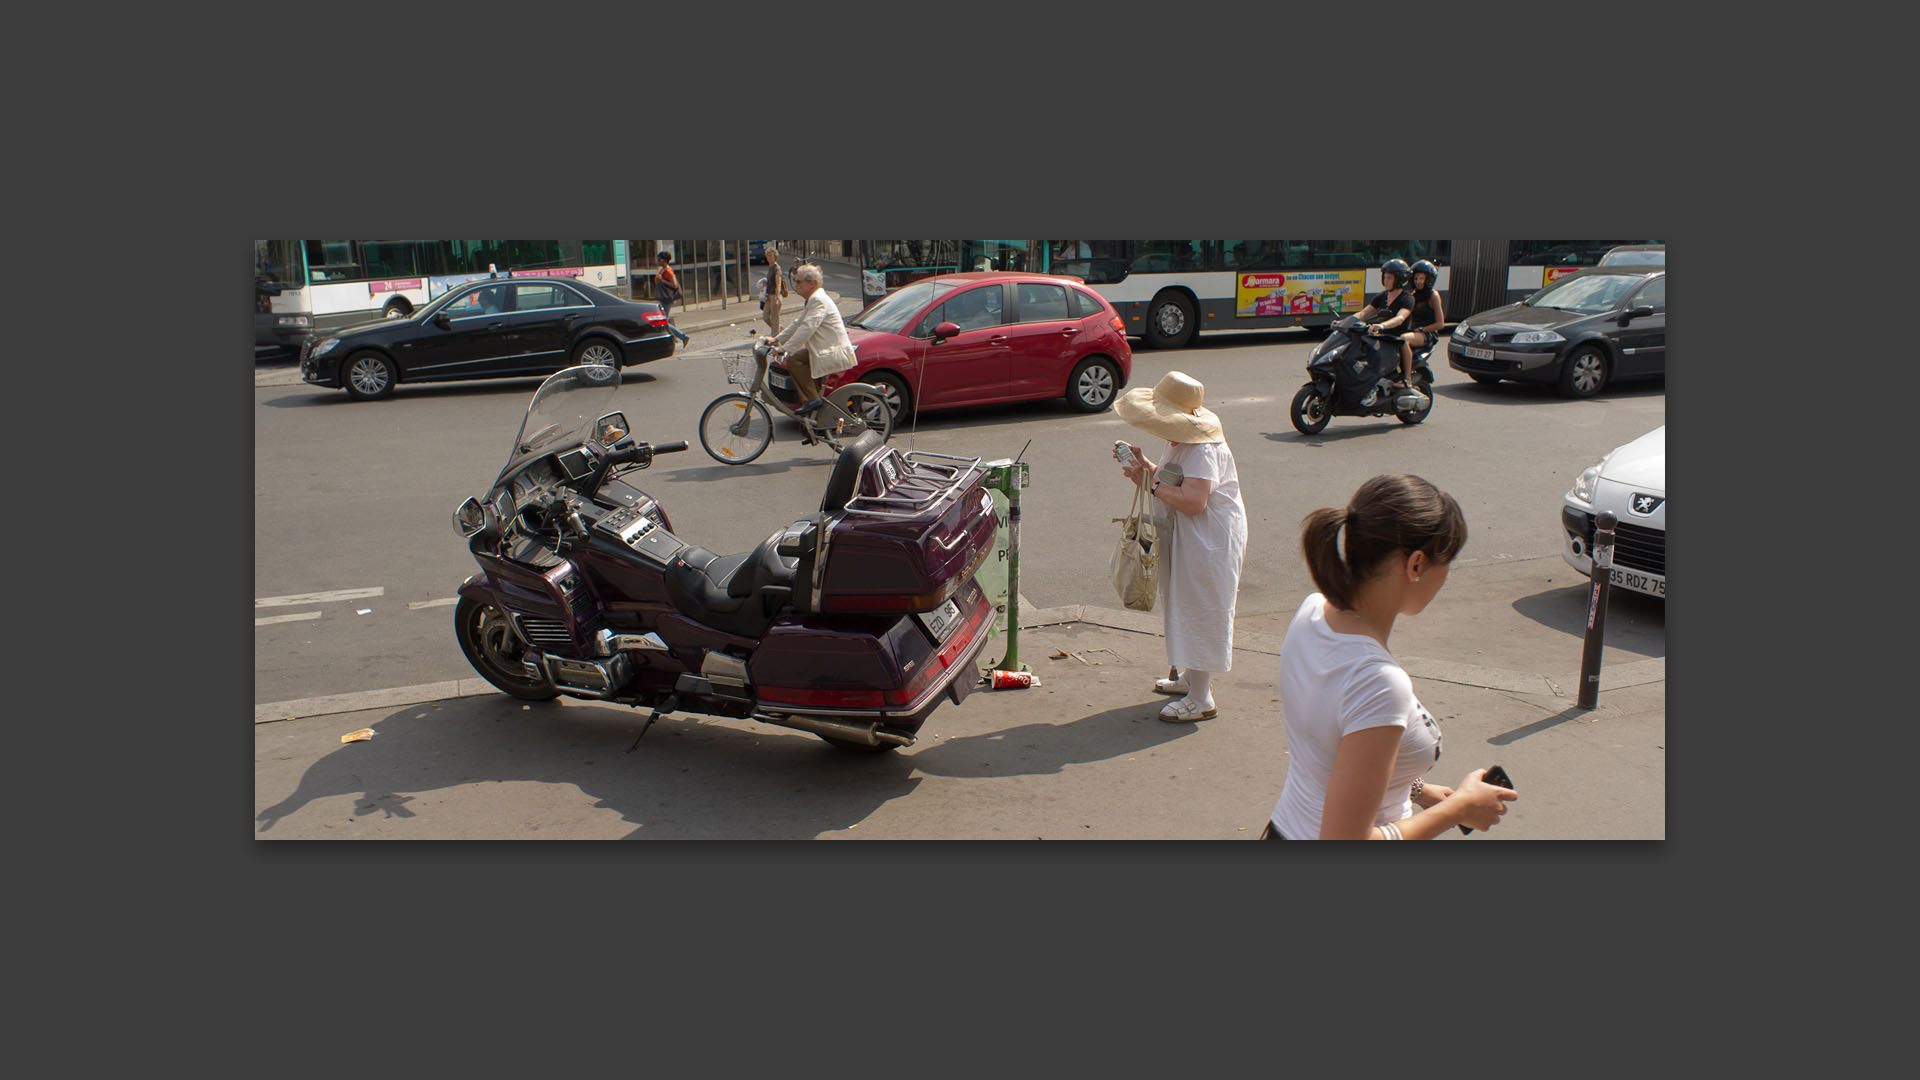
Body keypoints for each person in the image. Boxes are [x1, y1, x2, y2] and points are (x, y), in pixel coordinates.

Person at [1262, 474, 1518, 840]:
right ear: (1416, 564)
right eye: (1446, 563)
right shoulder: (1378, 682)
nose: (1446, 577)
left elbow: (1330, 750)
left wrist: (1413, 789)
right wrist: (1458, 809)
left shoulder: (1312, 611)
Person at [1112, 372, 1248, 723]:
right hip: (1193, 535)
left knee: (1200, 606)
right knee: (1186, 603)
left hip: (1209, 539)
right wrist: (1147, 469)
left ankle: (1201, 697)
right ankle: (1193, 679)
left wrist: (1149, 483)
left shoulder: (1202, 447)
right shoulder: (1182, 439)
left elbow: (1195, 501)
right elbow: (1174, 480)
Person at [763, 263, 858, 416]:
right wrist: (776, 339)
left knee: (793, 360)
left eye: (798, 281)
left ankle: (813, 400)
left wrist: (784, 348)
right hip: (822, 350)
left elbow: (807, 327)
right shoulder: (813, 299)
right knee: (798, 364)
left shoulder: (818, 300)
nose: (795, 285)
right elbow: (797, 323)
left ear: (811, 284)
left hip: (830, 351)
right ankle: (812, 416)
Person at [1395, 259, 1446, 391]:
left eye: (1422, 278)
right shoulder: (1412, 295)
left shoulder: (1433, 296)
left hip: (1427, 333)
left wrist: (1423, 329)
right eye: (1416, 278)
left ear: (1429, 279)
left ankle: (1407, 379)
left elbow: (1440, 324)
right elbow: (1409, 317)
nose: (1418, 281)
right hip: (1415, 331)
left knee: (1403, 339)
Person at [653, 251, 691, 347]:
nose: (657, 261)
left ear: (665, 261)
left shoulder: (668, 271)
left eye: (659, 259)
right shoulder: (662, 269)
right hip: (663, 298)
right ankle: (673, 338)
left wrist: (662, 280)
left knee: (662, 321)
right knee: (662, 320)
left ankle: (682, 336)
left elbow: (674, 285)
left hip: (666, 299)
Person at [760, 247, 790, 334]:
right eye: (767, 256)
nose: (768, 258)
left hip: (775, 295)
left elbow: (778, 284)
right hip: (768, 295)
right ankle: (780, 330)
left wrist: (776, 298)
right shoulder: (770, 267)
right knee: (765, 317)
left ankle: (775, 336)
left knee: (775, 317)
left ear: (775, 256)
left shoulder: (777, 268)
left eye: (770, 256)